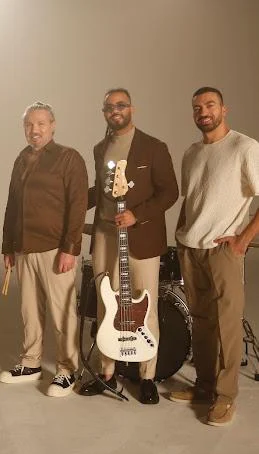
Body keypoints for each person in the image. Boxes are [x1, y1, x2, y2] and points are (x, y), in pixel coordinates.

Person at [80, 88, 178, 404]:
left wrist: (137, 215)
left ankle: (147, 377)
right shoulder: (100, 148)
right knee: (105, 305)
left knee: (144, 305)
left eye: (121, 105)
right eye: (109, 107)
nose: (115, 110)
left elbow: (170, 192)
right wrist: (67, 206)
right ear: (104, 113)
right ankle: (106, 373)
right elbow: (100, 190)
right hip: (106, 237)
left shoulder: (153, 147)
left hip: (141, 238)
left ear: (131, 109)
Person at [171, 87, 259, 426]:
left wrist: (242, 240)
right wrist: (180, 235)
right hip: (191, 248)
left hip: (223, 250)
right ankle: (205, 386)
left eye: (210, 105)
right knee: (202, 321)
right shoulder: (191, 153)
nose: (203, 112)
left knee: (227, 325)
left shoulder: (244, 147)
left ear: (224, 109)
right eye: (197, 107)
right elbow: (191, 199)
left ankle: (225, 397)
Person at [0, 101, 88, 397]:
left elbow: (78, 205)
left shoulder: (68, 158)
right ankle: (31, 363)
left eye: (40, 123)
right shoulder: (21, 158)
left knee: (63, 313)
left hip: (55, 249)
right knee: (29, 311)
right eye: (29, 124)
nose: (34, 129)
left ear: (52, 125)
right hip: (24, 248)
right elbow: (12, 205)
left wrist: (70, 248)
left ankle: (67, 370)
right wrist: (8, 246)